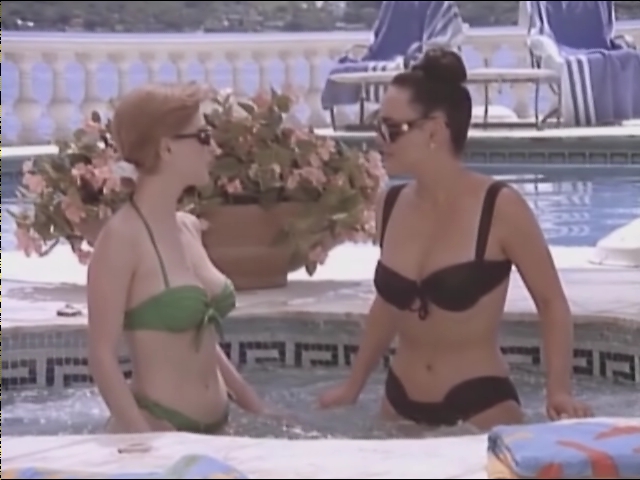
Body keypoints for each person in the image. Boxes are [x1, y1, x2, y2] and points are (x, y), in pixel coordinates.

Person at [318, 48, 592, 430]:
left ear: (434, 129)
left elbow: (551, 302)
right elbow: (388, 304)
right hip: (398, 401)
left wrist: (558, 391)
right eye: (377, 126)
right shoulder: (390, 205)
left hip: (478, 404)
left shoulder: (499, 207)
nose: (379, 139)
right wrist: (353, 385)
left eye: (392, 128)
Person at [88, 83, 271, 433]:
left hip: (219, 429)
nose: (214, 147)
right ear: (166, 147)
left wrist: (255, 406)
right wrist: (145, 441)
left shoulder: (188, 228)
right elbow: (102, 356)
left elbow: (198, 335)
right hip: (159, 428)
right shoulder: (121, 239)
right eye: (203, 136)